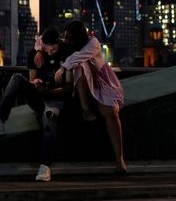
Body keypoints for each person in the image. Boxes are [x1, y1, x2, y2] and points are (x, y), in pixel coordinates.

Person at [0, 27, 70, 182]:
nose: (51, 52)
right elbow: (32, 79)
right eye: (47, 50)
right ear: (42, 47)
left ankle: (45, 166)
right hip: (40, 97)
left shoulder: (67, 54)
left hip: (56, 99)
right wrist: (36, 83)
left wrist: (49, 90)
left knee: (49, 116)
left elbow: (68, 87)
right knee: (17, 78)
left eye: (54, 49)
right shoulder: (36, 54)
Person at [54, 20, 127, 174]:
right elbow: (45, 41)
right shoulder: (70, 46)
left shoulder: (93, 43)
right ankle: (85, 109)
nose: (67, 40)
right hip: (84, 86)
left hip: (103, 83)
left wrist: (61, 69)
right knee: (80, 65)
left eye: (69, 37)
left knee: (112, 114)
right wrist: (41, 52)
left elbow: (77, 58)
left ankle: (119, 160)